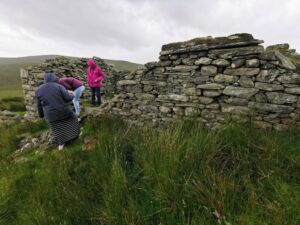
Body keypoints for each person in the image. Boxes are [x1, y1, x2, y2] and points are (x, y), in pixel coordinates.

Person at [36, 73, 80, 150]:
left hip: (50, 115)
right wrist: (72, 95)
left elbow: (39, 105)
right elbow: (67, 98)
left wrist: (41, 115)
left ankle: (61, 144)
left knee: (56, 128)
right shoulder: (59, 86)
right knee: (73, 120)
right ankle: (75, 137)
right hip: (64, 111)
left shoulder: (39, 89)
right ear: (54, 79)